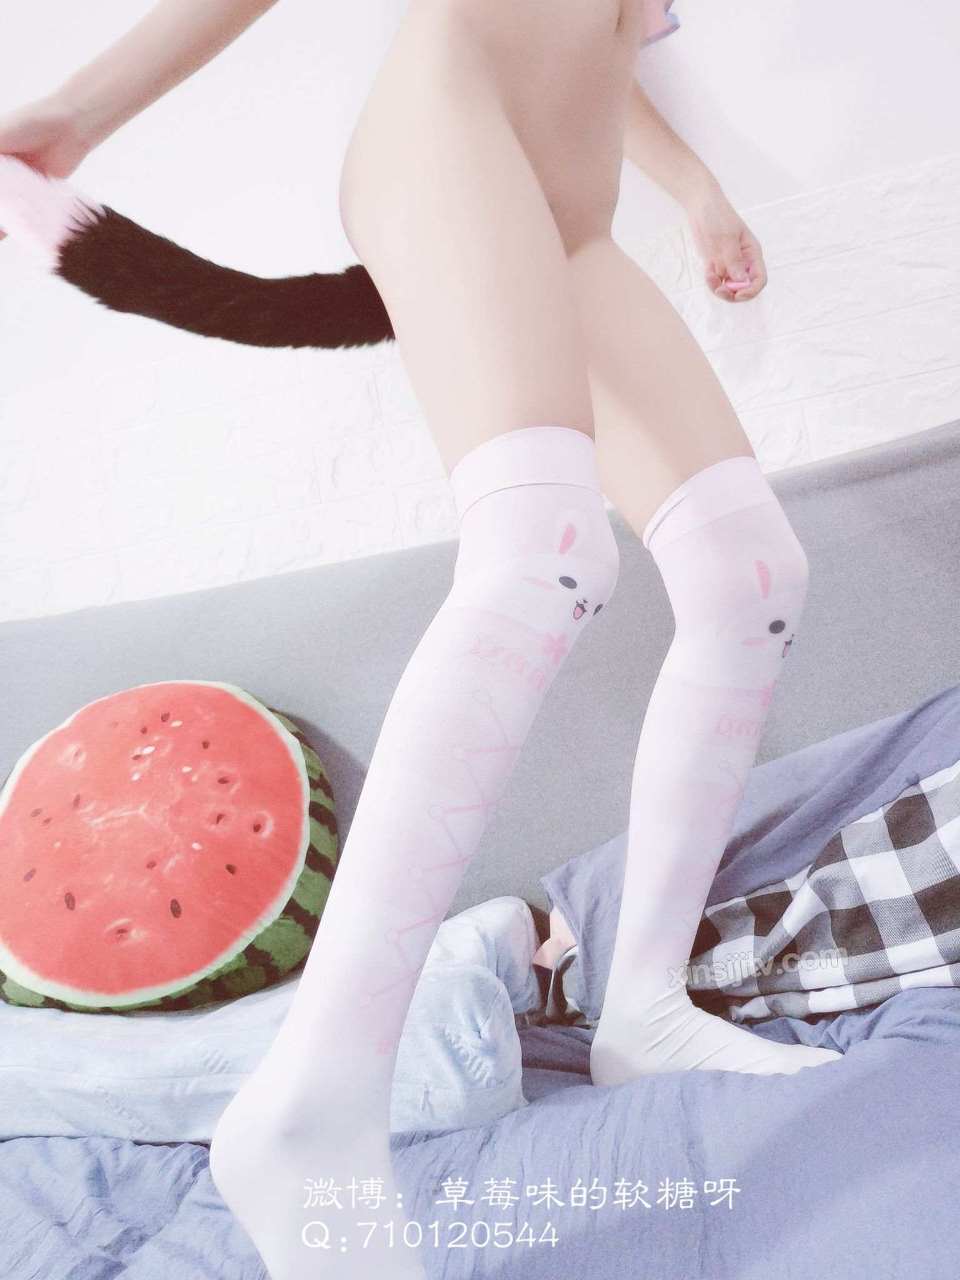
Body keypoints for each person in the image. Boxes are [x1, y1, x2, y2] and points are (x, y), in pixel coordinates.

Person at [0, 2, 841, 1276]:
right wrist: (78, 113)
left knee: (750, 574)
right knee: (543, 553)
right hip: (453, 134)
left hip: (577, 214)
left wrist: (698, 189)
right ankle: (311, 1104)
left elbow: (608, 38)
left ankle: (646, 1006)